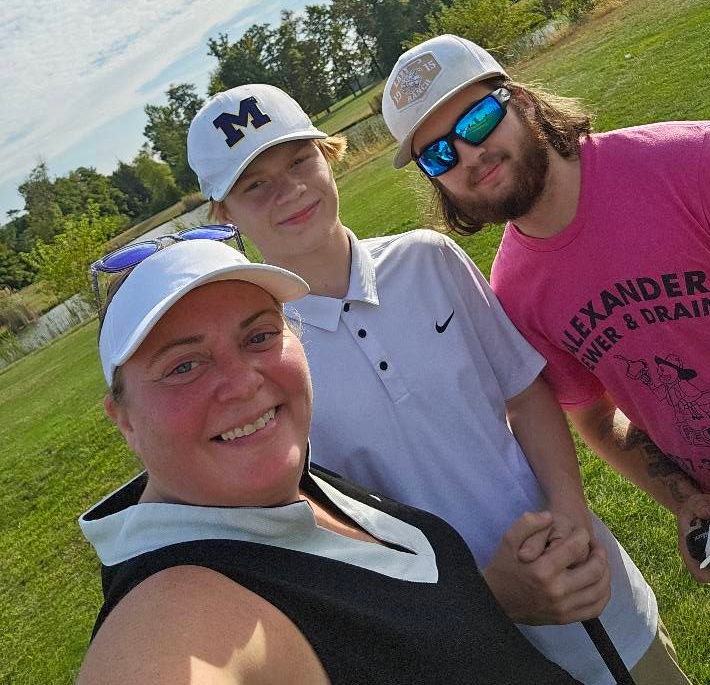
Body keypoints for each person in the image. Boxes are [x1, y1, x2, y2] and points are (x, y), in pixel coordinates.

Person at [186, 83, 669, 684]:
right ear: (223, 214)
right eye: (254, 185)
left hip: (582, 576)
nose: (289, 190)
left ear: (330, 155)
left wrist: (572, 514)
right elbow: (322, 535)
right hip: (454, 644)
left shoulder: (429, 260)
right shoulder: (264, 362)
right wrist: (485, 596)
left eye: (298, 161)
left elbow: (524, 394)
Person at [77, 234, 585, 685]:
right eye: (183, 365)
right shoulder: (175, 607)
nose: (243, 383)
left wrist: (491, 600)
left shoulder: (292, 483)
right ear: (123, 418)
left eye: (259, 336)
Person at [382, 32, 710, 599]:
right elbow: (593, 417)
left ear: (521, 101)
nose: (468, 154)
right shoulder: (513, 291)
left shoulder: (692, 163)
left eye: (476, 121)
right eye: (438, 153)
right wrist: (687, 501)